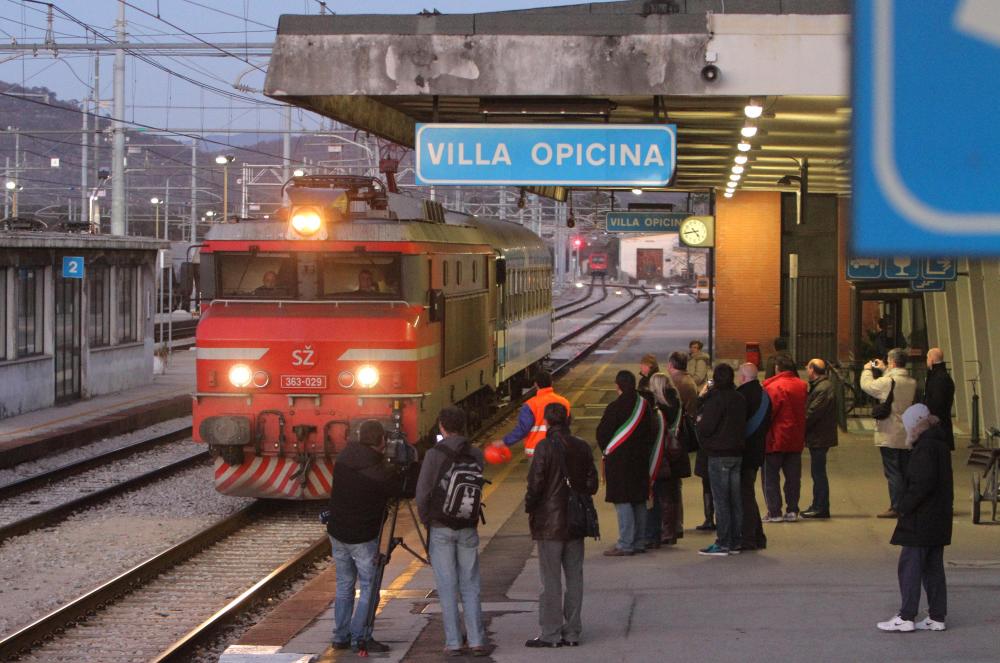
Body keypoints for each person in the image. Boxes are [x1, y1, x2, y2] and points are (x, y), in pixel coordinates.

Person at [325, 420, 407, 653]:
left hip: (337, 532)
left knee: (344, 585)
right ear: (381, 441)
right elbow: (402, 489)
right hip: (362, 537)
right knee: (370, 587)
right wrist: (404, 466)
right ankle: (361, 637)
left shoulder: (344, 458)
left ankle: (340, 636)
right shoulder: (379, 472)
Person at [524, 403, 599, 648]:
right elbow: (592, 484)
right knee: (575, 577)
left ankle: (551, 633)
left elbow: (535, 485)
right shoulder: (582, 446)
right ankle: (573, 632)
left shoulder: (543, 448)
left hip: (550, 524)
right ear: (568, 419)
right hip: (576, 522)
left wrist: (531, 506)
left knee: (550, 580)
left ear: (546, 422)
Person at [415, 407, 488, 657]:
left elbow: (422, 493)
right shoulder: (476, 453)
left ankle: (454, 642)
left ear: (441, 427)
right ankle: (477, 640)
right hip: (467, 525)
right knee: (471, 584)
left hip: (441, 527)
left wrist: (427, 520)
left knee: (447, 586)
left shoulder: (434, 454)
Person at [877, 404, 953, 633]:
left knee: (909, 566)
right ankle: (937, 617)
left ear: (915, 425)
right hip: (939, 518)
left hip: (921, 519)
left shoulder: (924, 448)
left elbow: (920, 485)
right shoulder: (939, 444)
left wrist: (903, 507)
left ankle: (906, 616)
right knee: (933, 569)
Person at [596, 370, 654, 556]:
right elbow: (652, 430)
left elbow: (602, 433)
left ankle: (625, 543)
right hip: (640, 459)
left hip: (619, 461)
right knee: (639, 499)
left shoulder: (615, 407)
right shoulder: (644, 406)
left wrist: (607, 450)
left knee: (623, 500)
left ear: (618, 386)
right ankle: (639, 541)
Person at [695, 363, 747, 556]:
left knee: (721, 500)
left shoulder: (715, 400)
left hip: (718, 454)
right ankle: (736, 541)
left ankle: (723, 542)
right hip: (737, 453)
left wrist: (700, 423)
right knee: (735, 500)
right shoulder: (739, 398)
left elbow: (706, 427)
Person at [861, 348, 918, 518]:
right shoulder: (911, 382)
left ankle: (896, 506)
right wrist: (885, 369)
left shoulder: (888, 382)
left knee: (893, 471)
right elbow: (894, 383)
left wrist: (867, 370)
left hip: (890, 431)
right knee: (905, 470)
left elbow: (868, 386)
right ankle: (907, 505)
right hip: (906, 432)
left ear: (892, 362)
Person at [644, 373, 691, 548]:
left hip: (662, 456)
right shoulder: (677, 403)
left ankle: (661, 532)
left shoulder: (658, 410)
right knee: (673, 494)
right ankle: (674, 529)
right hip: (676, 454)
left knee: (659, 496)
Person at [761, 355, 808, 522]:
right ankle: (792, 510)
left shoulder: (773, 387)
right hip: (795, 437)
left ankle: (774, 512)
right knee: (793, 478)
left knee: (770, 477)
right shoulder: (802, 385)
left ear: (777, 368)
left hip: (776, 437)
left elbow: (769, 413)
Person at [667, 351, 705, 531]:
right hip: (685, 432)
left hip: (678, 435)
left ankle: (674, 524)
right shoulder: (688, 380)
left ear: (671, 365)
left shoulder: (676, 383)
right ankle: (676, 523)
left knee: (672, 483)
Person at [492, 371, 570, 458]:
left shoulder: (530, 404)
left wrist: (505, 442)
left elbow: (523, 429)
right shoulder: (564, 402)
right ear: (552, 383)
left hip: (537, 450)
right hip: (560, 448)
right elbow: (567, 424)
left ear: (535, 384)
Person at [736, 362, 770, 551]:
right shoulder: (765, 395)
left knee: (744, 496)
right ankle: (758, 535)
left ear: (742, 377)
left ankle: (749, 537)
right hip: (758, 451)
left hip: (744, 453)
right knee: (748, 493)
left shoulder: (742, 396)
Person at [803, 358, 838, 519]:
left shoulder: (823, 388)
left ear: (812, 370)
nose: (806, 369)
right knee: (817, 473)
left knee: (818, 474)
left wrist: (800, 425)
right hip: (820, 435)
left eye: (808, 367)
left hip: (819, 436)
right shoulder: (822, 386)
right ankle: (818, 505)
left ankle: (820, 507)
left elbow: (813, 413)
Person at [923, 348, 955, 451]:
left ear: (931, 359)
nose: (926, 361)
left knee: (938, 453)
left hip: (938, 424)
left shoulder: (938, 377)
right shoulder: (942, 375)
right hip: (942, 422)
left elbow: (937, 401)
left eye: (927, 358)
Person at [667, 351, 699, 418]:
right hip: (689, 419)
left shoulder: (674, 383)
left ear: (670, 365)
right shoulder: (688, 379)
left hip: (681, 421)